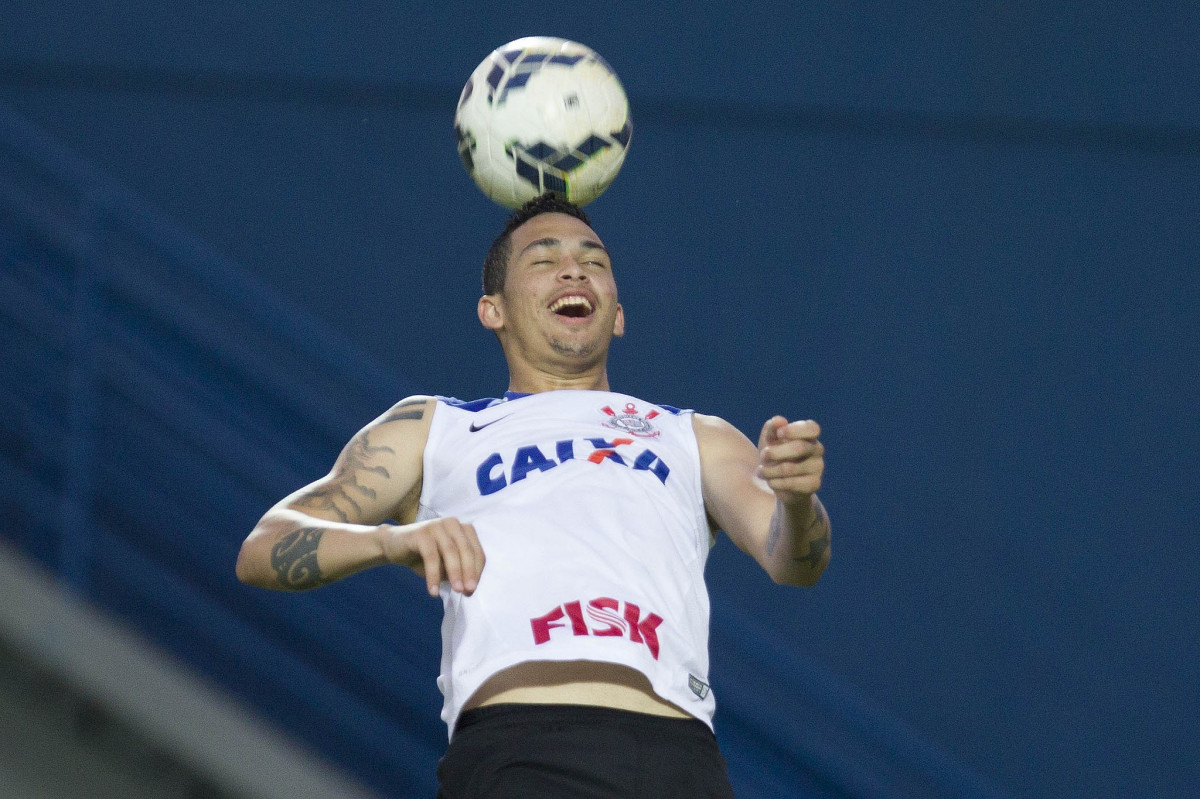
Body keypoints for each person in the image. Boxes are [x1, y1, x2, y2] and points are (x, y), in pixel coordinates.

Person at [236, 193, 831, 798]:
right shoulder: (435, 426)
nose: (575, 270)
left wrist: (798, 501)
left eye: (594, 262)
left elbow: (795, 563)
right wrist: (393, 541)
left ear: (618, 314)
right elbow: (265, 547)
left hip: (680, 760)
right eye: (544, 260)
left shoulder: (694, 435)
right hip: (520, 746)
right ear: (492, 310)